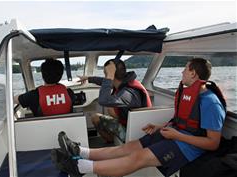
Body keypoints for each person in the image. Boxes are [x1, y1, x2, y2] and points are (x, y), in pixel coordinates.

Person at [51, 58, 226, 177]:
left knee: (138, 157)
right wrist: (160, 127)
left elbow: (213, 143)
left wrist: (176, 135)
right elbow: (183, 122)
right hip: (175, 135)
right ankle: (80, 152)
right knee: (129, 148)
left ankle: (80, 167)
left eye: (185, 69)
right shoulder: (188, 95)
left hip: (188, 148)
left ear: (193, 73)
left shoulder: (210, 102)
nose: (181, 72)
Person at [78, 59, 152, 142]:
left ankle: (111, 140)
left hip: (135, 133)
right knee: (108, 111)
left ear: (112, 75)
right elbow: (103, 81)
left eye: (106, 75)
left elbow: (103, 101)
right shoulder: (125, 82)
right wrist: (88, 78)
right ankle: (112, 139)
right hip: (132, 124)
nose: (106, 78)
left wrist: (109, 76)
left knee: (98, 116)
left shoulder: (128, 94)